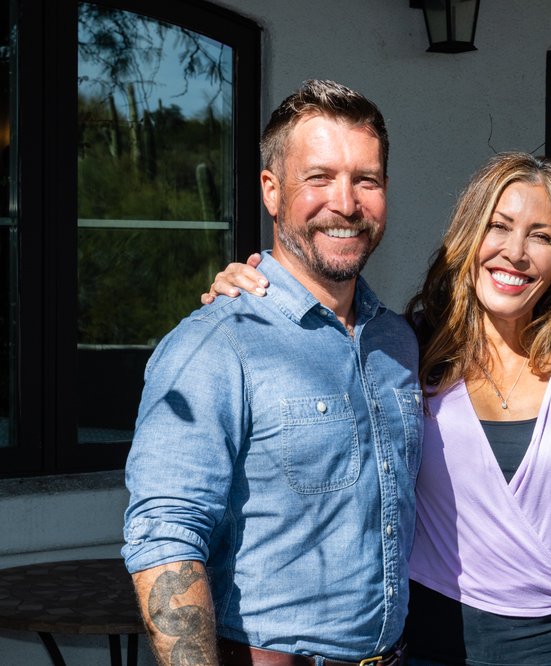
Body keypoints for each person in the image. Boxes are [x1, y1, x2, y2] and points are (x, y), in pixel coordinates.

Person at [204, 152, 551, 666]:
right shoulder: (402, 348)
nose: (515, 252)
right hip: (430, 646)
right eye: (498, 226)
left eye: (542, 236)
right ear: (469, 235)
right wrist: (251, 290)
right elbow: (312, 341)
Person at [122, 79, 418, 666]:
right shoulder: (216, 344)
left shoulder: (399, 343)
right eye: (319, 177)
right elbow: (166, 535)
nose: (346, 203)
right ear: (272, 190)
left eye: (366, 180)